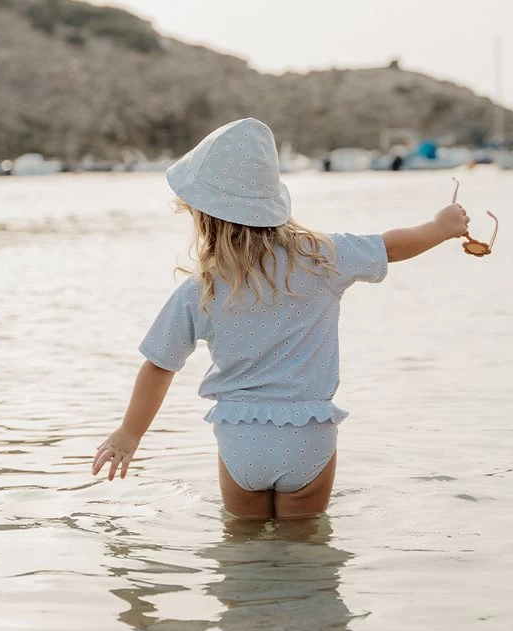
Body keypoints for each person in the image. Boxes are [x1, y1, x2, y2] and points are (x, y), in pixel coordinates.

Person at [91, 118, 470, 520]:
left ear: (204, 217)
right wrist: (440, 227)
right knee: (306, 544)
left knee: (243, 543)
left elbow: (159, 365)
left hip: (242, 436)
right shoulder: (322, 257)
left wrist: (129, 433)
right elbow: (390, 247)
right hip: (308, 433)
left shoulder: (202, 287)